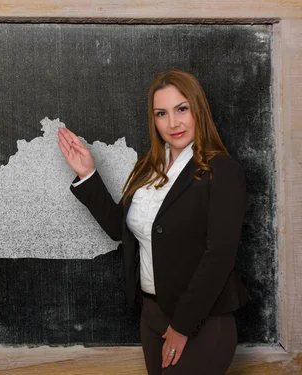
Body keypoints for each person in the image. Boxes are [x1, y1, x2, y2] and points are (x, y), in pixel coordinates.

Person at [57, 69, 250, 375]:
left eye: (182, 109)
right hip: (152, 316)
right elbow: (121, 229)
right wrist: (87, 175)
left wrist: (182, 327)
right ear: (154, 120)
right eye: (162, 113)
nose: (173, 123)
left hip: (200, 321)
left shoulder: (222, 171)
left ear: (198, 109)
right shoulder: (148, 169)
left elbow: (220, 256)